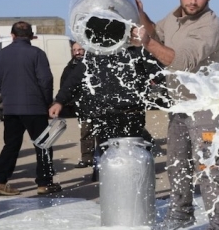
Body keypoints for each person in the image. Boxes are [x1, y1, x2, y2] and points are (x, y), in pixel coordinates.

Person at [136, 0, 219, 230]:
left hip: (205, 105)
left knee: (208, 169)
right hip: (180, 103)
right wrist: (141, 15)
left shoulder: (210, 25)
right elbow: (158, 33)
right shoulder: (175, 16)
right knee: (177, 163)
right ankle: (181, 213)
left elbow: (180, 61)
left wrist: (147, 43)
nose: (193, 1)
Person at [48, 36, 161, 178]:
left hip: (132, 112)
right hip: (103, 112)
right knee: (105, 147)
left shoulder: (135, 51)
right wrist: (59, 101)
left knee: (134, 148)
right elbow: (73, 80)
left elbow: (158, 73)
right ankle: (101, 174)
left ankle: (136, 176)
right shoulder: (94, 54)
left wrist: (159, 87)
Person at [0, 21, 61, 196]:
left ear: (12, 35)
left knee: (11, 145)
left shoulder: (1, 55)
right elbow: (45, 80)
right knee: (43, 145)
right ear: (31, 36)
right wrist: (47, 102)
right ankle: (44, 183)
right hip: (35, 107)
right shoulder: (37, 53)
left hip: (11, 107)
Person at [59, 41, 95, 168]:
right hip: (82, 106)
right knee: (86, 132)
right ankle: (87, 158)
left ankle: (103, 157)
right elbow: (65, 85)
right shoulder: (69, 68)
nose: (78, 52)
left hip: (97, 104)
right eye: (75, 50)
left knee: (102, 132)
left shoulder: (93, 64)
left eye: (80, 49)